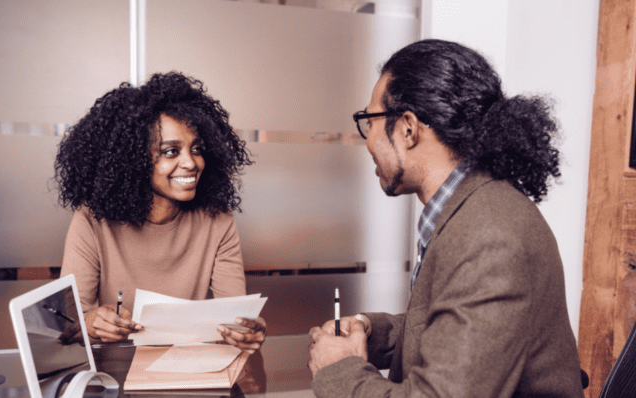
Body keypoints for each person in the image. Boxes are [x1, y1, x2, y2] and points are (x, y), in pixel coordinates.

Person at [307, 39, 584, 397]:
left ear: (408, 128)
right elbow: (453, 323)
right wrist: (368, 331)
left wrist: (339, 369)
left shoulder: (490, 235)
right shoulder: (471, 207)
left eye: (370, 120)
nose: (368, 140)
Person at [54, 72, 265, 354]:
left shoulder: (218, 220)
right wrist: (91, 323)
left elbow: (235, 316)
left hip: (189, 371)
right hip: (114, 374)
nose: (191, 163)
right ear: (133, 159)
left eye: (197, 149)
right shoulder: (92, 220)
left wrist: (247, 330)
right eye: (170, 151)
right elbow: (67, 327)